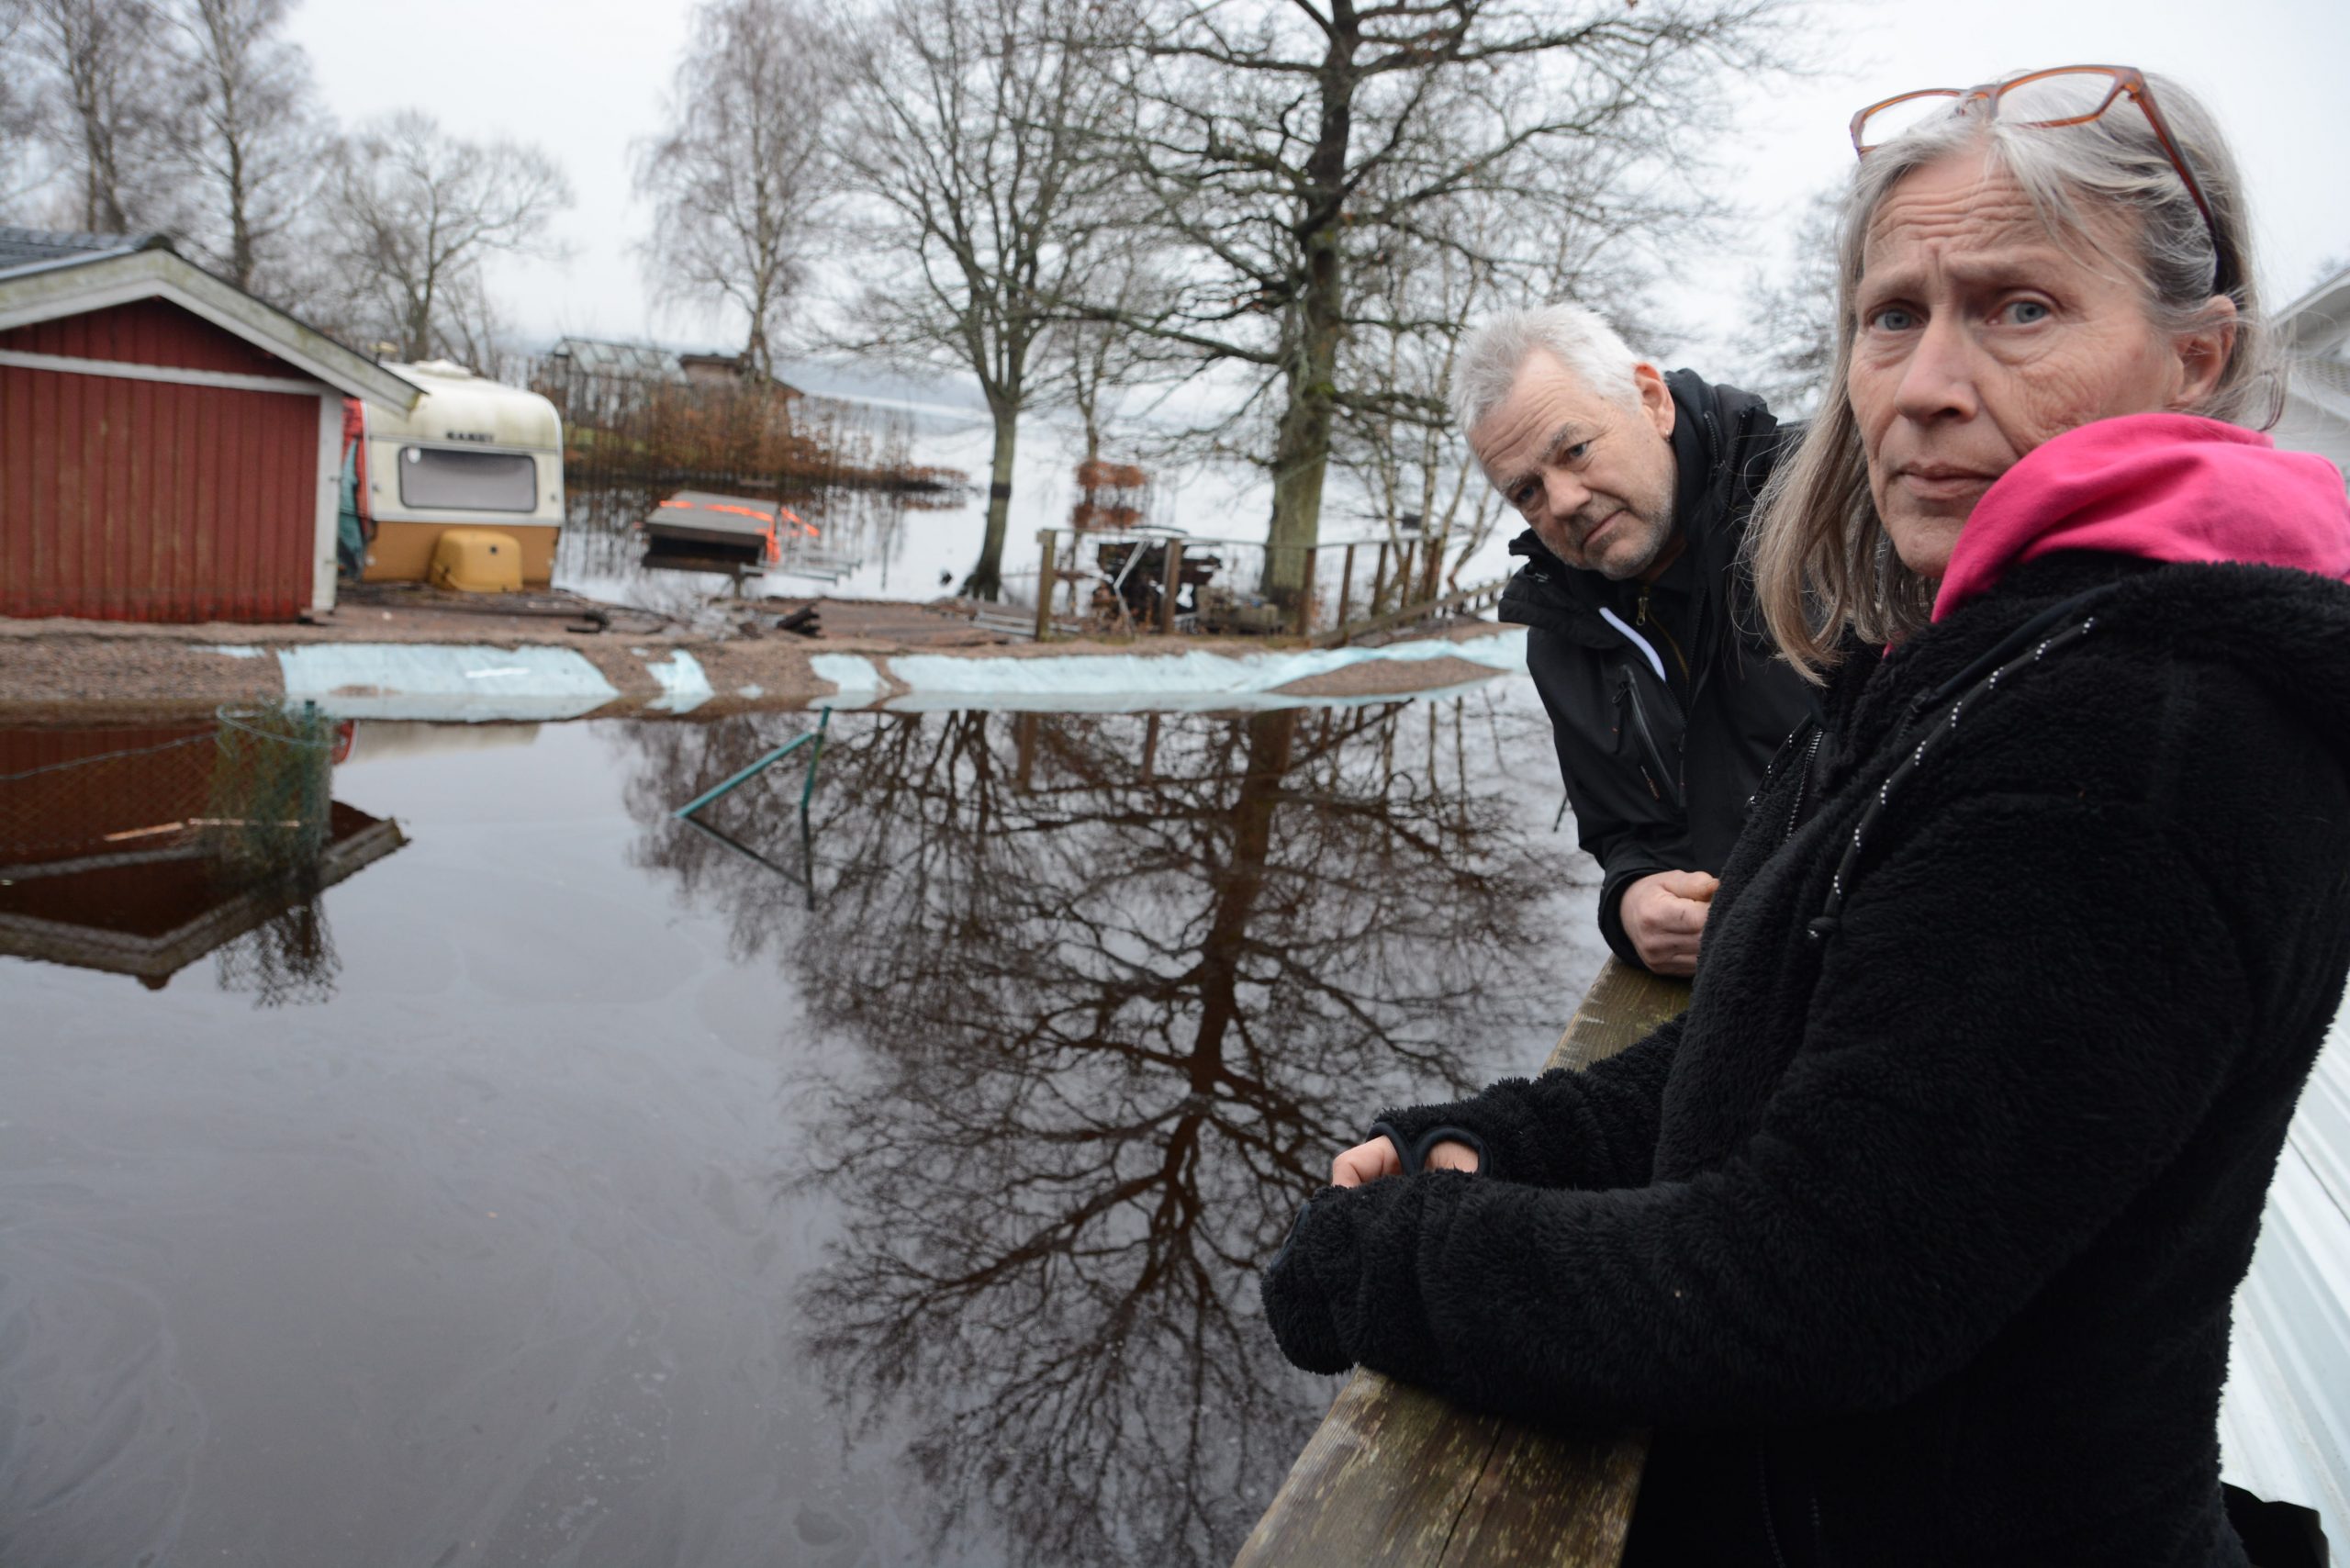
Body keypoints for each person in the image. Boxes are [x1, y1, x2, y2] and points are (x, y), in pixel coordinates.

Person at [1263, 65, 2350, 1566]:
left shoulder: (2135, 737)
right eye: (1891, 314)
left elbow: (1814, 1281)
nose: (1924, 384)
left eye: (2019, 306)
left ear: (2197, 354)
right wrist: (1508, 1136)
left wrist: (1401, 1263)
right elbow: (1781, 1031)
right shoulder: (1995, 652)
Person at [1457, 308, 1818, 975]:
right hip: (1735, 987)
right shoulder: (1561, 634)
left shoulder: (1822, 511)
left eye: (1575, 450)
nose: (1561, 502)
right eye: (1528, 491)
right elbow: (1626, 835)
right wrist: (1631, 905)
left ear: (1650, 401)